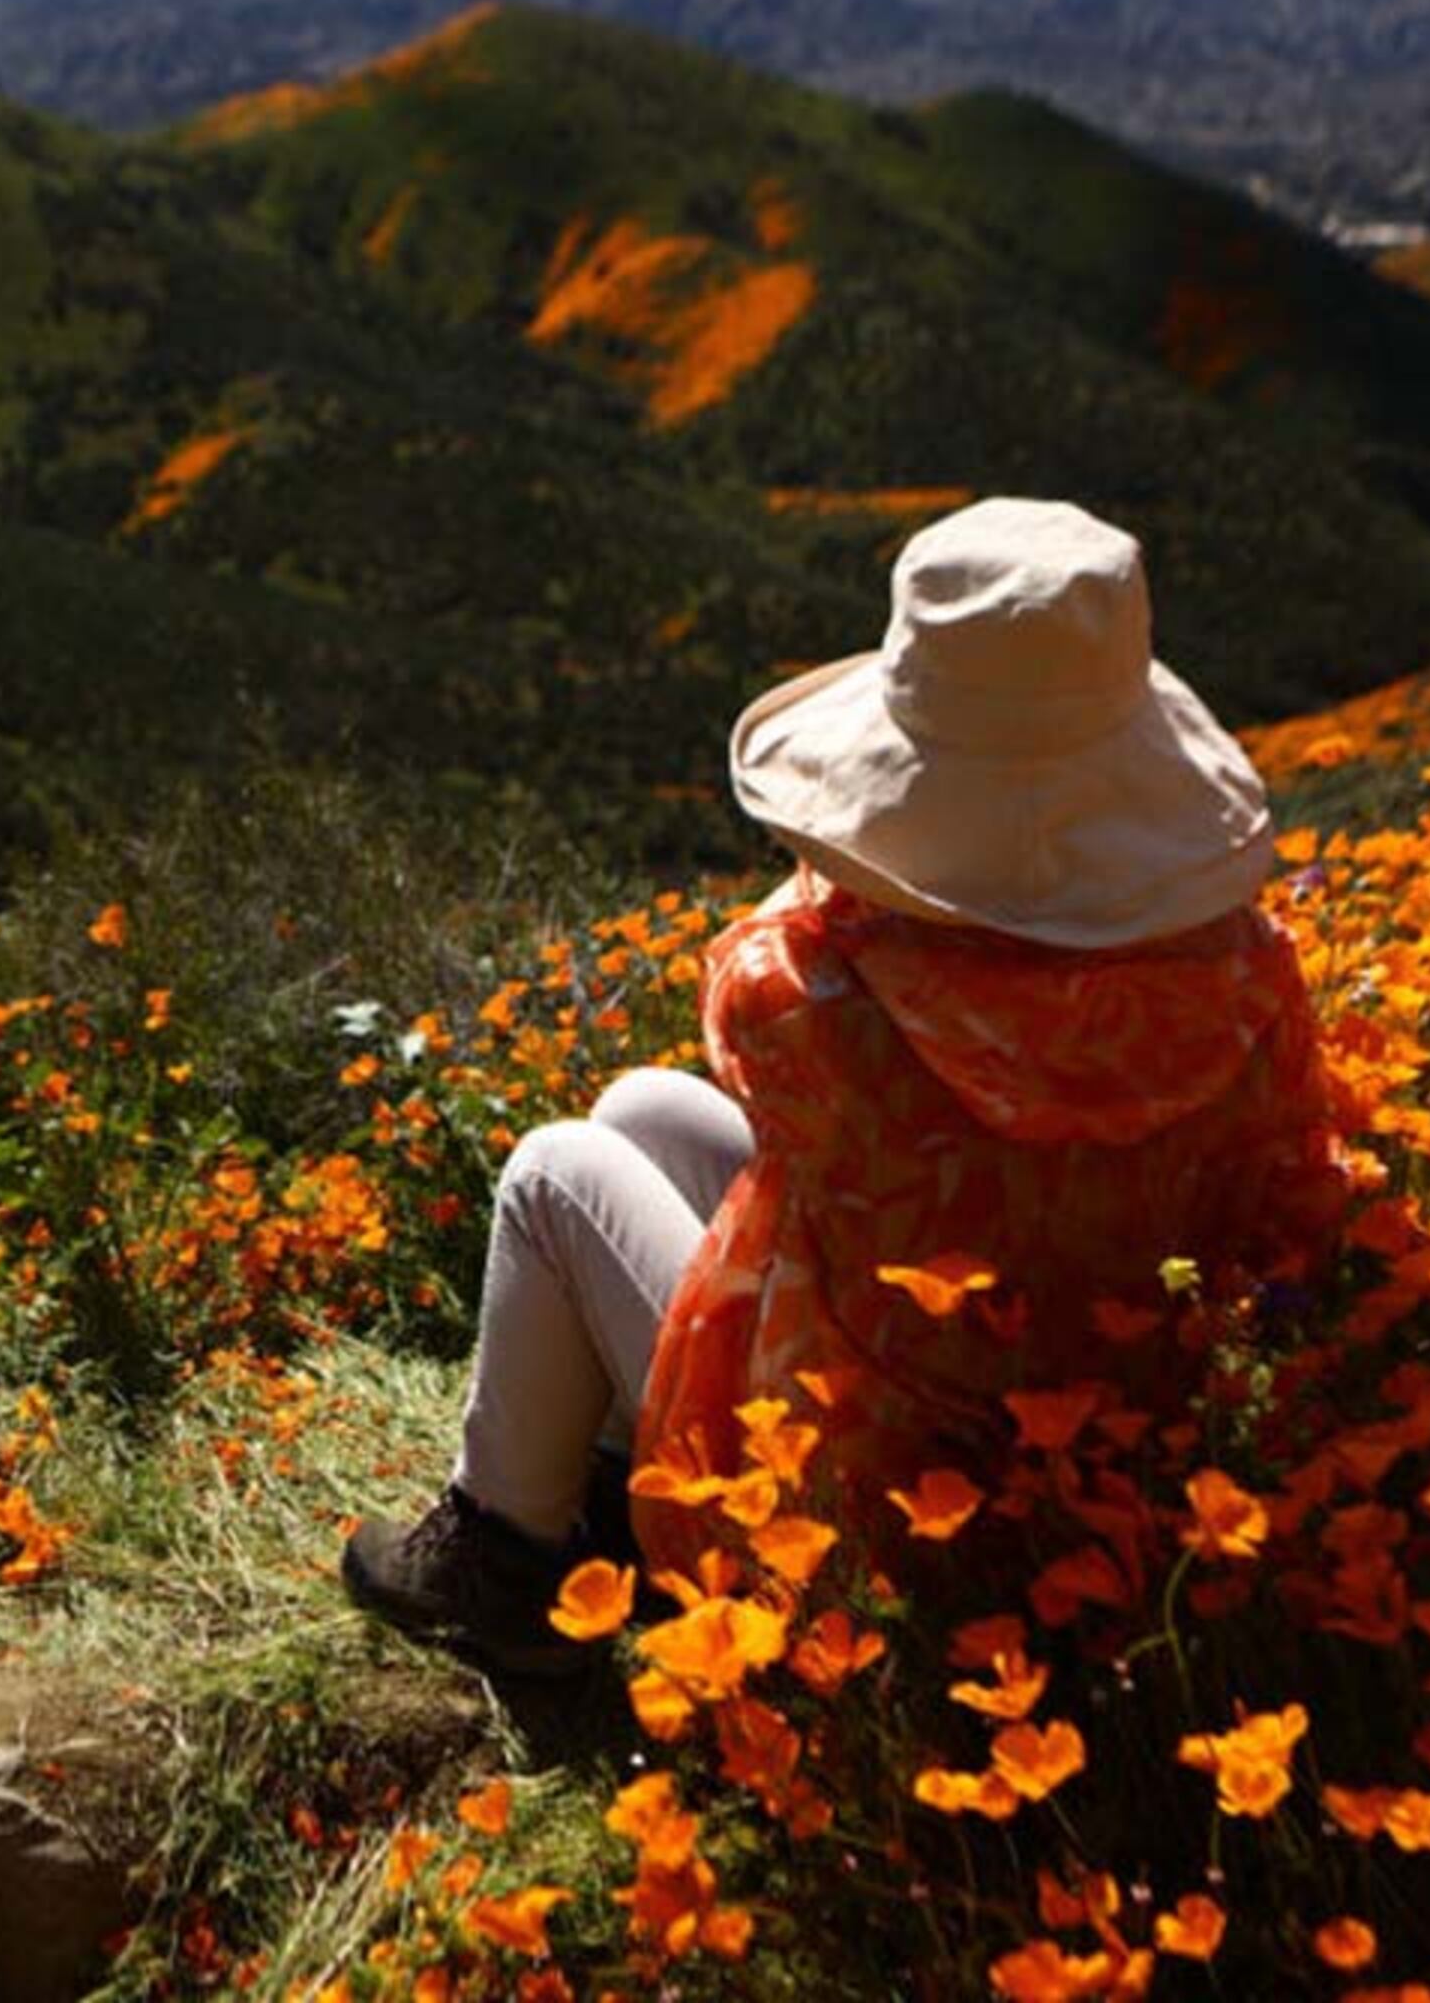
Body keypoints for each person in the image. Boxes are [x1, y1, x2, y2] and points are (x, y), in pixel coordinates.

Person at [343, 498, 1348, 1675]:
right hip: (1108, 1451)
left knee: (558, 1167)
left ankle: (504, 1560)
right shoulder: (1246, 971)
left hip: (851, 1508)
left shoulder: (814, 999)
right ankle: (613, 1485)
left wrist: (887, 877)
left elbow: (763, 958)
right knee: (643, 1112)